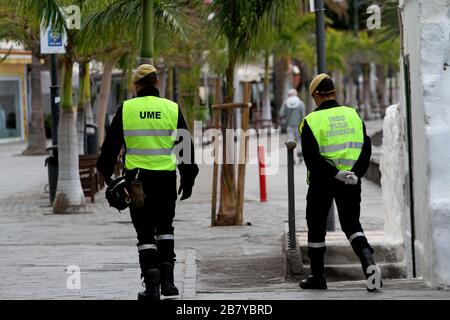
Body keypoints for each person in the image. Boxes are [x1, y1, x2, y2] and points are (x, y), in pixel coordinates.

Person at [97, 64, 199, 300]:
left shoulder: (127, 109)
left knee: (144, 232)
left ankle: (152, 287)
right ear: (157, 83)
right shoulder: (172, 109)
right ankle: (168, 283)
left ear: (136, 85)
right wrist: (188, 178)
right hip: (165, 180)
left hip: (137, 183)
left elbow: (110, 146)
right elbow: (185, 146)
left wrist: (106, 175)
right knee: (165, 228)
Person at [298, 73, 382, 291]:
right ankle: (369, 263)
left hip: (322, 182)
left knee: (316, 225)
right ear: (334, 93)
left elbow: (312, 160)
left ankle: (318, 277)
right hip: (351, 181)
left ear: (316, 96)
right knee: (352, 225)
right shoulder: (353, 115)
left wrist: (335, 174)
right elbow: (366, 148)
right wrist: (355, 173)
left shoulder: (310, 122)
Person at [279, 88, 305, 163]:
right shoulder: (300, 103)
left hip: (289, 126)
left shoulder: (285, 103)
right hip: (299, 126)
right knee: (299, 141)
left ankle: (292, 158)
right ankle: (300, 155)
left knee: (290, 142)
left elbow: (281, 114)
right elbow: (303, 115)